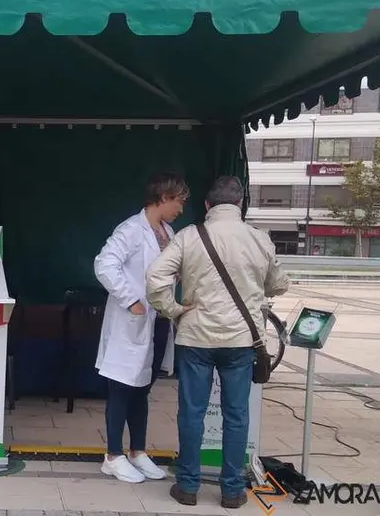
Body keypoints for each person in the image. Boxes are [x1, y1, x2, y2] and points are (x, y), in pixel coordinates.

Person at [146, 175, 290, 509]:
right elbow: (279, 284)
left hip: (196, 337)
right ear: (240, 205)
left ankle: (188, 487)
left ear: (208, 205)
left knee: (192, 413)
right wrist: (255, 290)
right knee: (237, 416)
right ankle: (232, 491)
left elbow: (155, 279)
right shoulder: (259, 239)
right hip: (241, 340)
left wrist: (175, 311)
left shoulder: (188, 236)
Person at [94, 172, 190, 483]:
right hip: (132, 319)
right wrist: (130, 298)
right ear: (163, 198)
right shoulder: (131, 230)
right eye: (179, 201)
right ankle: (112, 455)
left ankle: (137, 451)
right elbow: (104, 264)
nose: (181, 208)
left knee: (142, 388)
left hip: (157, 321)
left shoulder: (168, 231)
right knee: (121, 387)